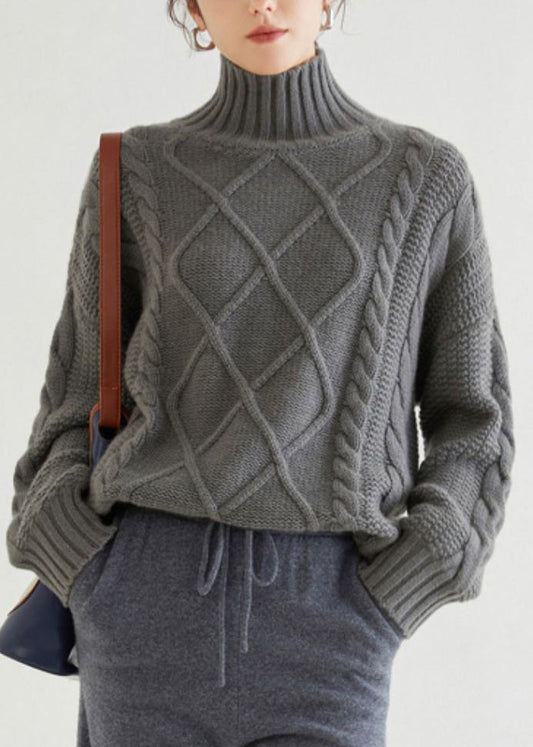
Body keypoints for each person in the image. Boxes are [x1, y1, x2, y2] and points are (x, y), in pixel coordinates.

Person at [5, 1, 515, 745]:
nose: (262, 3)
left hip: (333, 625)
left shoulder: (425, 179)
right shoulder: (136, 169)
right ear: (194, 8)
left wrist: (408, 581)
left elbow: (473, 418)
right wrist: (82, 563)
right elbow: (73, 398)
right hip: (142, 608)